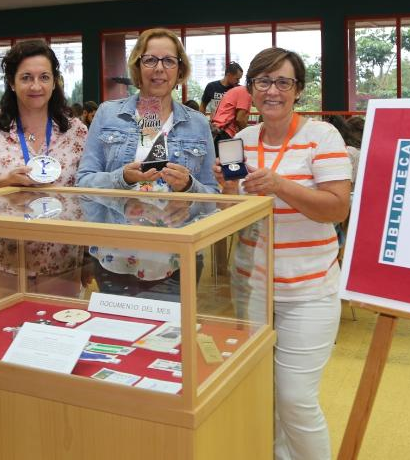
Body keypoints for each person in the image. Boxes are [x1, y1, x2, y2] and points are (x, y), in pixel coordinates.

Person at [215, 47, 351, 460]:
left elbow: (337, 207)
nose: (272, 91)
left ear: (298, 90)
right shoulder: (239, 141)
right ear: (250, 90)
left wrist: (280, 185)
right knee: (262, 394)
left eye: (283, 82)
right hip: (253, 289)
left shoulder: (322, 137)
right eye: (263, 82)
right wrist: (227, 190)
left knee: (295, 399)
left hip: (308, 291)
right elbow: (233, 216)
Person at [77, 27, 218, 299]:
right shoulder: (108, 115)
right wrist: (123, 178)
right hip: (114, 256)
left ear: (180, 69)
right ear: (137, 67)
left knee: (168, 340)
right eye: (150, 60)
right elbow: (83, 183)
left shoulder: (198, 123)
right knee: (117, 338)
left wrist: (189, 187)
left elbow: (213, 198)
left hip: (176, 257)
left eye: (168, 61)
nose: (159, 69)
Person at [0, 40, 88, 298]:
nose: (35, 86)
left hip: (62, 251)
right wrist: (4, 182)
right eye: (26, 77)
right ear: (11, 82)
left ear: (55, 82)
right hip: (6, 250)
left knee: (59, 332)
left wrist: (89, 254)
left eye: (44, 77)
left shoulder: (76, 131)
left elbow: (86, 194)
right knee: (11, 330)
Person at [210, 84, 252, 151]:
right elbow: (240, 119)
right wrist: (248, 135)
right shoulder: (246, 92)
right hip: (225, 132)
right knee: (229, 160)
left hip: (218, 131)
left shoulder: (236, 90)